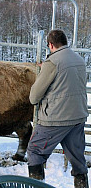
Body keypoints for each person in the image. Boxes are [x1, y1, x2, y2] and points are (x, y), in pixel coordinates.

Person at [27, 29, 89, 188]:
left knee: (35, 151)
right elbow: (68, 81)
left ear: (50, 45)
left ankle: (37, 185)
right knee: (77, 158)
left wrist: (45, 70)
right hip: (77, 117)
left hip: (55, 119)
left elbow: (34, 96)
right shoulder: (80, 60)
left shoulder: (52, 63)